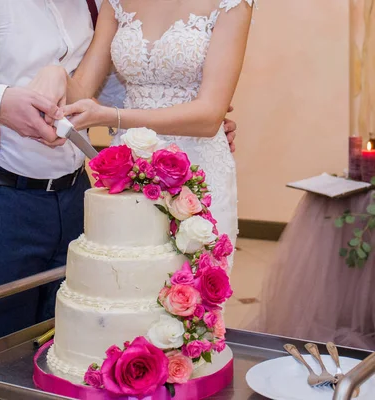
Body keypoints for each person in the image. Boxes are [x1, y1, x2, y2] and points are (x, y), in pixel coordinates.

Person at [0, 1, 238, 399]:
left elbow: (109, 90)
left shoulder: (95, 4)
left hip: (79, 198)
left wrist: (196, 120)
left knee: (75, 360)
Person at [35, 0, 255, 265]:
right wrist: (56, 74)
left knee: (188, 289)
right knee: (125, 283)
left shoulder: (232, 4)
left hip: (198, 164)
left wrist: (114, 117)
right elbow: (82, 89)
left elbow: (209, 117)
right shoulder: (114, 3)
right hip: (131, 168)